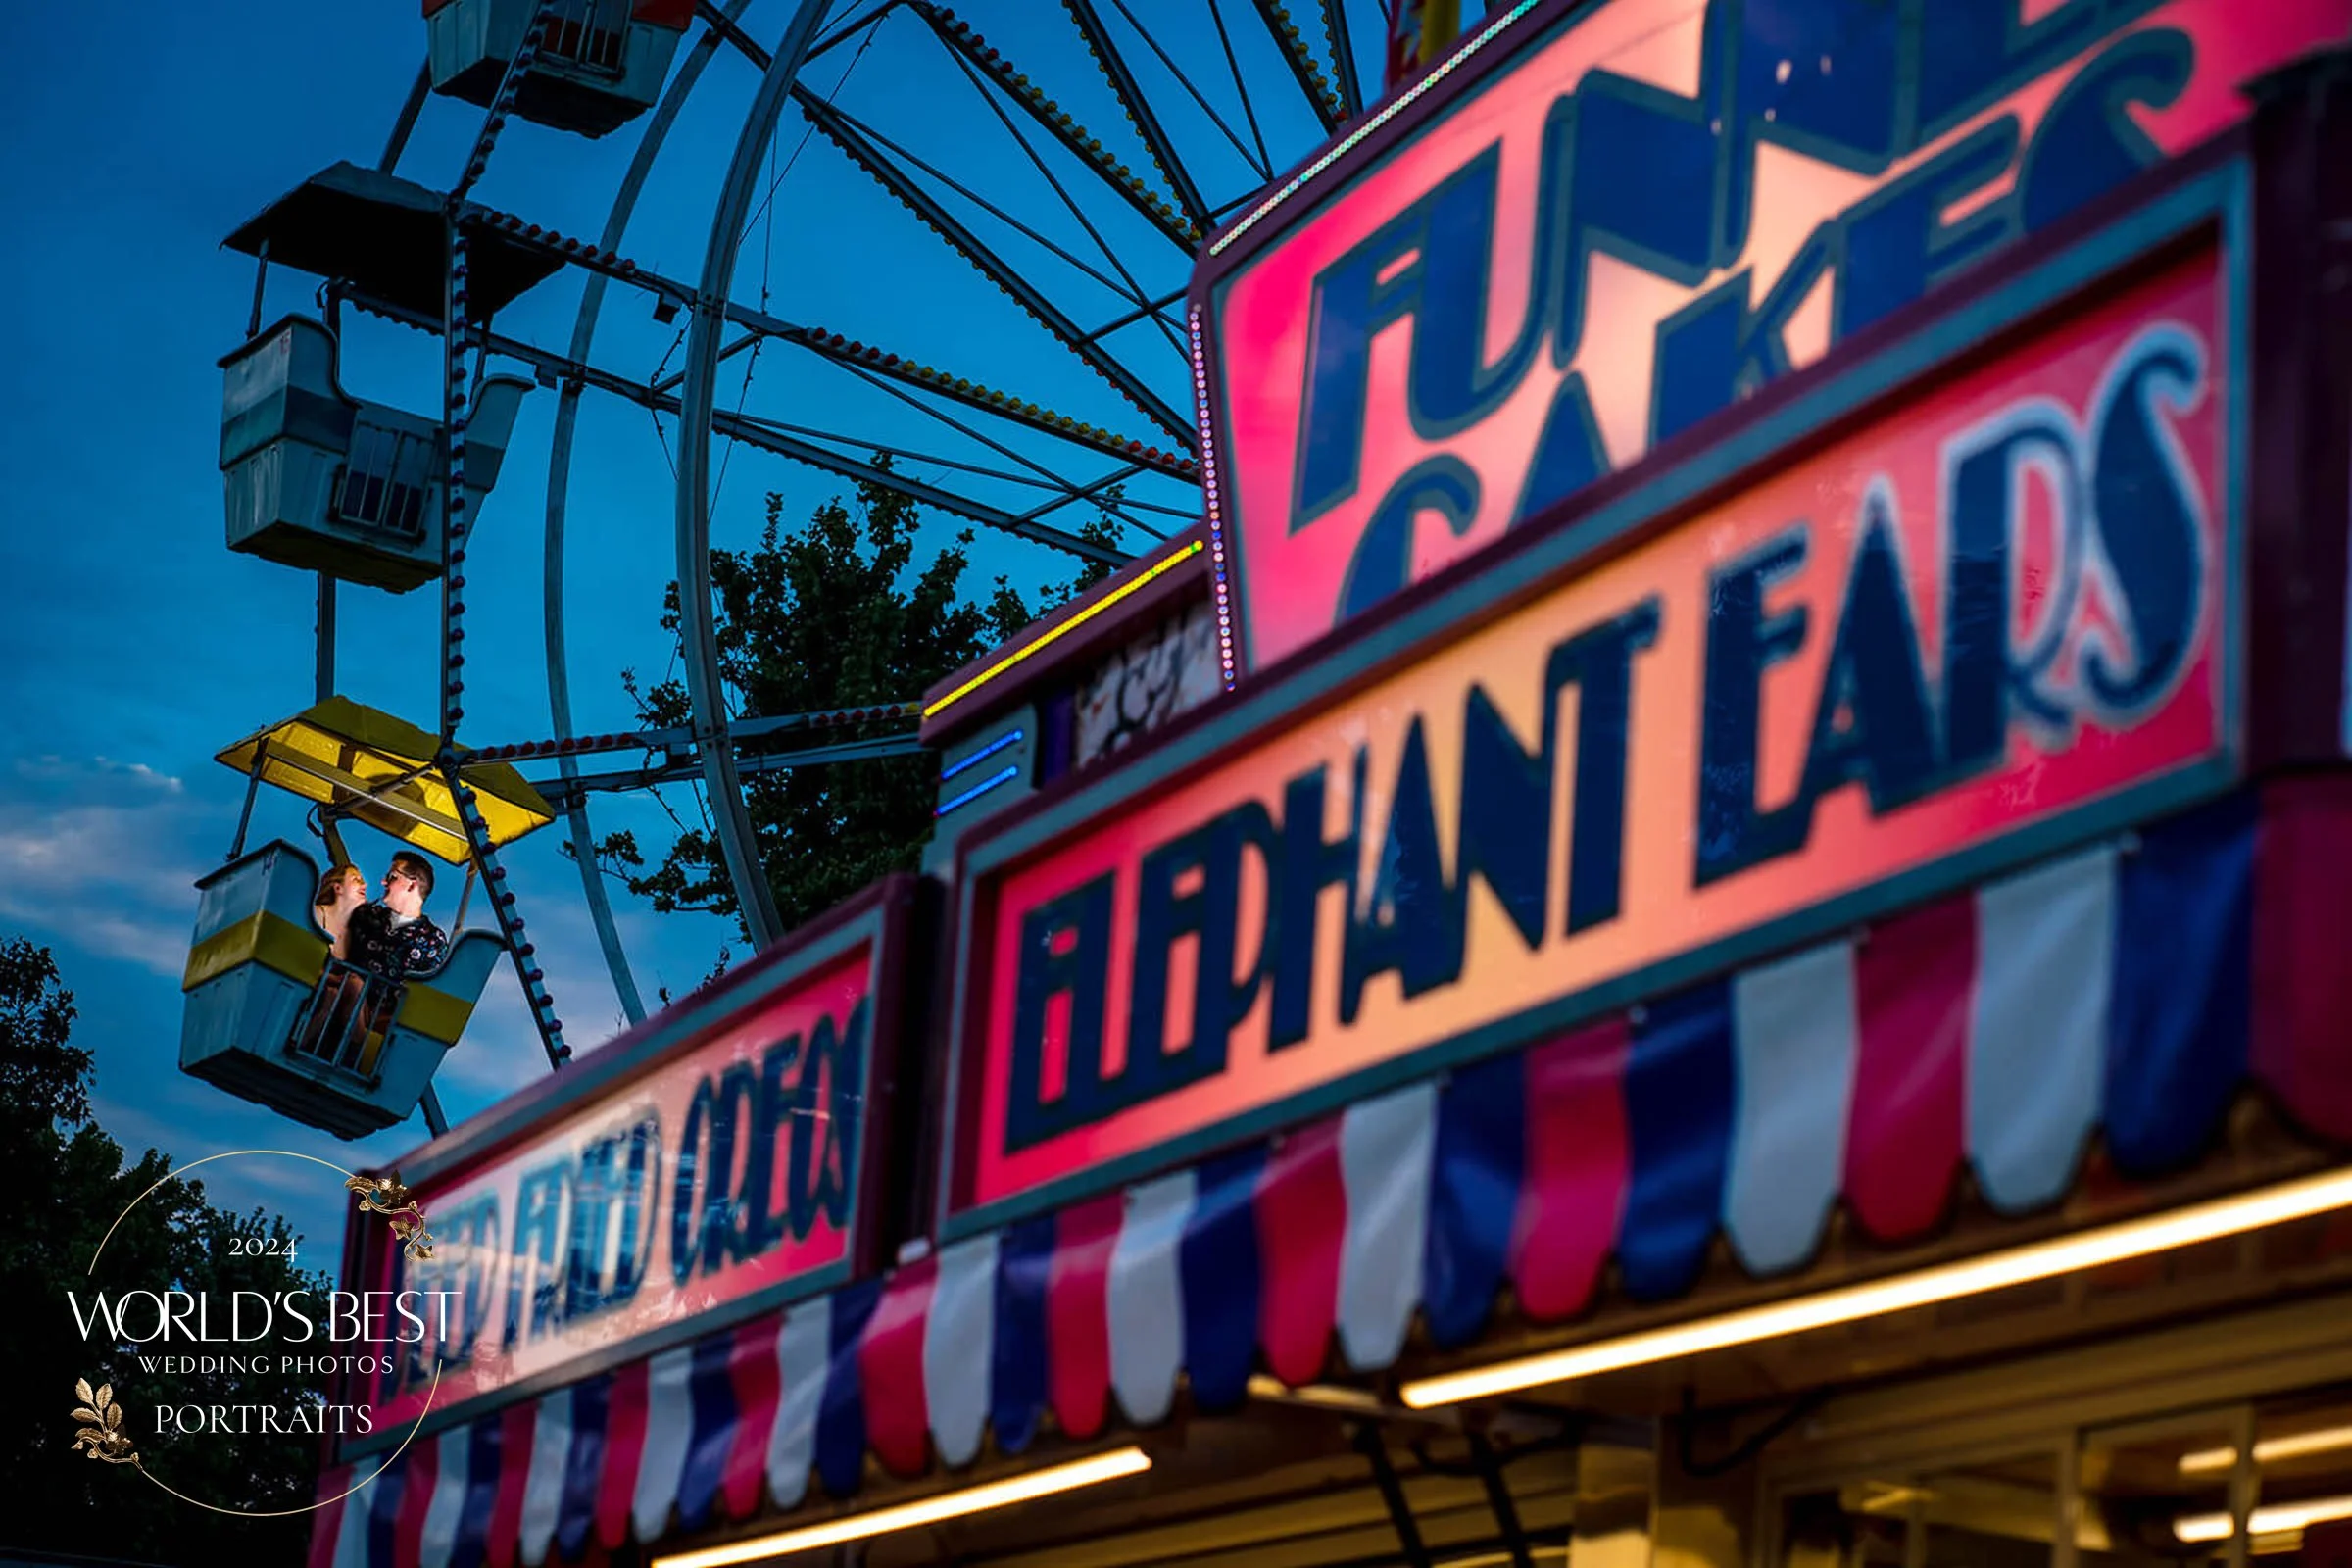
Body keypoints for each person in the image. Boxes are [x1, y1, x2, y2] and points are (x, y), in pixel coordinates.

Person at [345, 852, 450, 982]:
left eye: (392, 877)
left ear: (411, 885)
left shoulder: (433, 941)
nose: (383, 882)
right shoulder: (367, 916)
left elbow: (426, 993)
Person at [310, 864, 368, 958]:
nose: (364, 885)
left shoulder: (358, 932)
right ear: (338, 888)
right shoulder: (315, 915)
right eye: (356, 879)